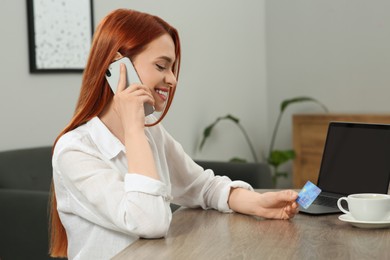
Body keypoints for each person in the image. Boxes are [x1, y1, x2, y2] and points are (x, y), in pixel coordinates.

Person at [49, 8, 299, 259]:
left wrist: (258, 204)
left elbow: (202, 186)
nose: (172, 79)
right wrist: (134, 128)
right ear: (117, 64)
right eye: (161, 66)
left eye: (172, 68)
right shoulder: (74, 150)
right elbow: (149, 222)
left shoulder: (152, 132)